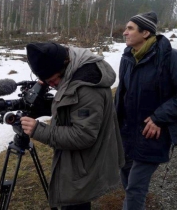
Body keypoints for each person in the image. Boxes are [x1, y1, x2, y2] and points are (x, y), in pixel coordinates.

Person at [20, 42, 125, 210]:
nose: (52, 85)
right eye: (47, 82)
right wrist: (46, 106)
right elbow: (72, 107)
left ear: (64, 66)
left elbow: (83, 135)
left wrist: (38, 130)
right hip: (79, 161)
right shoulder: (74, 70)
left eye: (53, 80)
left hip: (83, 164)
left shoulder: (86, 87)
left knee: (76, 204)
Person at [115, 11, 177, 210]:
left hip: (152, 133)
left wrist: (159, 118)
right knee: (126, 179)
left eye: (130, 28)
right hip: (127, 132)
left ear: (145, 33)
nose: (125, 33)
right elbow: (122, 94)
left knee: (136, 188)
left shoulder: (171, 58)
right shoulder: (128, 57)